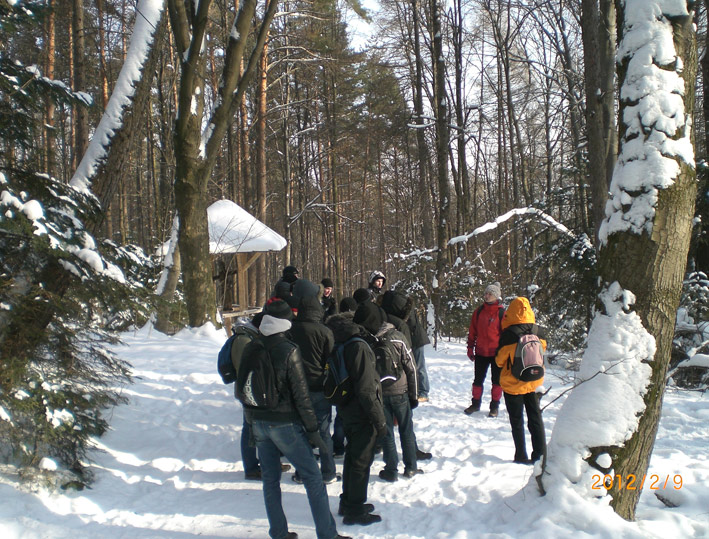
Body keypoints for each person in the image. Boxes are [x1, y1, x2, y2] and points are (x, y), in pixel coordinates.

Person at [243, 300, 349, 539]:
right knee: (313, 477)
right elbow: (301, 396)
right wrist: (313, 431)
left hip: (259, 421)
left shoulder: (252, 346)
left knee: (270, 480)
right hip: (285, 423)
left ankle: (278, 533)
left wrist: (251, 424)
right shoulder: (289, 349)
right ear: (285, 322)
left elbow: (243, 389)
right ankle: (327, 534)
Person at [326, 310, 387, 526]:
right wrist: (380, 420)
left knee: (353, 456)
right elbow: (366, 389)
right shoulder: (358, 346)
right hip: (361, 411)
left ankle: (348, 501)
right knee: (361, 460)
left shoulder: (342, 340)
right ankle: (355, 509)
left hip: (347, 407)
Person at [353, 302, 421, 482]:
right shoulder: (398, 337)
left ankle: (391, 470)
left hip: (380, 393)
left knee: (387, 432)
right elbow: (411, 367)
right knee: (406, 430)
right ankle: (411, 467)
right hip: (401, 392)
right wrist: (414, 395)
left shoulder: (367, 340)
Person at [289, 289, 339, 484]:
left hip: (297, 386)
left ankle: (303, 472)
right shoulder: (324, 331)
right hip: (319, 385)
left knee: (301, 430)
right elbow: (331, 358)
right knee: (324, 431)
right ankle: (328, 472)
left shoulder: (291, 330)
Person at [494, 297, 547, 464]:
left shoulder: (509, 334)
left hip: (513, 384)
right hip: (533, 382)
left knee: (517, 420)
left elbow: (499, 360)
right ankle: (540, 454)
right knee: (535, 418)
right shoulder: (538, 331)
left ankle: (521, 455)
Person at [465, 282, 505, 417]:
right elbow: (472, 332)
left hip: (497, 354)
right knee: (478, 381)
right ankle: (475, 404)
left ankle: (494, 407)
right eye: (486, 293)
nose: (486, 296)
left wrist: (505, 352)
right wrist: (470, 348)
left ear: (496, 296)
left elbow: (506, 335)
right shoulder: (478, 312)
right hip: (481, 352)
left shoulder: (502, 313)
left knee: (497, 382)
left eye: (490, 294)